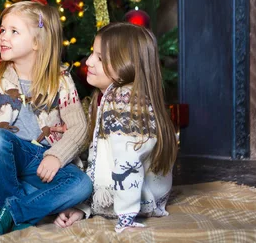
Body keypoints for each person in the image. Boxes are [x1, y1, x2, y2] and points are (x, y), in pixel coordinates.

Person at [0, 0, 92, 237]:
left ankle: (10, 213)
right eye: (2, 30)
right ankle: (25, 207)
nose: (3, 37)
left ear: (36, 42)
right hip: (7, 163)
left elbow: (79, 128)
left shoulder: (60, 80)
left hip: (41, 162)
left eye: (14, 31)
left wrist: (56, 156)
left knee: (82, 184)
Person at [54, 22, 178, 233]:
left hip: (134, 200)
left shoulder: (123, 100)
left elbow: (127, 161)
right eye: (93, 53)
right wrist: (83, 209)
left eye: (100, 58)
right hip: (134, 198)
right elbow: (101, 164)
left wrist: (126, 217)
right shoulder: (113, 97)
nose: (89, 61)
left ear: (127, 65)